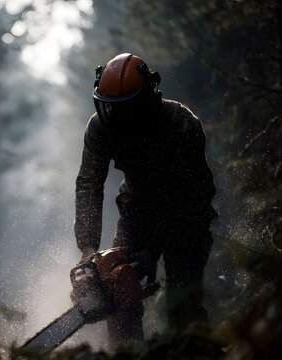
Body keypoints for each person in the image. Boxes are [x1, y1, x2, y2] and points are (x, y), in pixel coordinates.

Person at [74, 53, 217, 349]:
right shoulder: (101, 127)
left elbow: (194, 195)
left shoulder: (182, 125)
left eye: (126, 109)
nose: (119, 117)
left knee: (182, 303)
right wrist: (88, 249)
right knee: (118, 287)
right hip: (137, 210)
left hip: (188, 214)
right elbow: (89, 184)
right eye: (113, 109)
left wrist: (151, 252)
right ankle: (129, 353)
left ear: (145, 101)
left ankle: (194, 352)